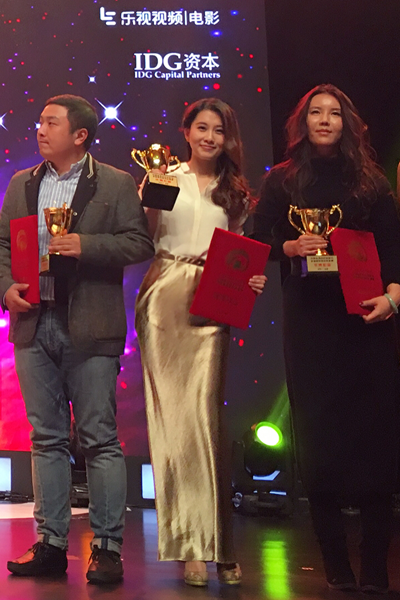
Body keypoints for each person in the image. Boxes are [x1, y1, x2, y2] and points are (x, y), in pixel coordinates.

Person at [252, 84, 400, 594]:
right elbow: (256, 239)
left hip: (366, 320)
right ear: (302, 122)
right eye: (315, 112)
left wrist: (394, 298)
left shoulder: (371, 182)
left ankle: (376, 565)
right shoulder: (282, 180)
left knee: (376, 440)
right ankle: (335, 563)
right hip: (310, 325)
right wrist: (290, 246)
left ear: (347, 123)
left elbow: (393, 248)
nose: (324, 119)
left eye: (334, 113)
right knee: (319, 442)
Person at [0, 94, 154, 583]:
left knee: (98, 439)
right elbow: (2, 244)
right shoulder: (22, 183)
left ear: (80, 135)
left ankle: (106, 548)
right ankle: (50, 543)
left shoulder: (115, 182)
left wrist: (85, 245)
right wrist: (5, 288)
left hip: (90, 325)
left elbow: (139, 242)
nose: (40, 129)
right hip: (34, 323)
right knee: (45, 438)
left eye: (51, 123)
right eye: (40, 122)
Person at [135, 98, 266, 586]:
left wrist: (251, 281)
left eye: (219, 131)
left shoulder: (237, 192)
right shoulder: (163, 176)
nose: (210, 137)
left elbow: (239, 252)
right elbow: (145, 235)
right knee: (173, 423)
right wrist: (152, 194)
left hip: (213, 298)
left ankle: (221, 544)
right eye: (202, 128)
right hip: (165, 294)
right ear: (186, 132)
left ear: (229, 139)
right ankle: (191, 545)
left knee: (206, 420)